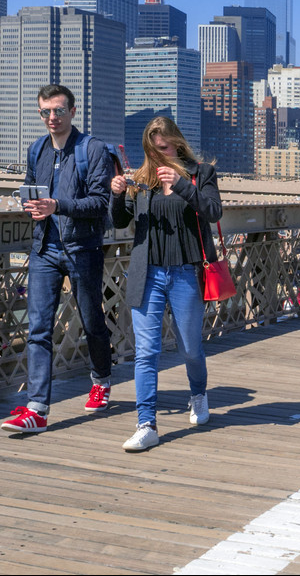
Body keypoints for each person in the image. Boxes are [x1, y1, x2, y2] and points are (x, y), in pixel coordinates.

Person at [1, 84, 114, 434]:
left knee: (92, 319)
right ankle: (37, 409)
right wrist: (33, 207)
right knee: (38, 329)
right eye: (45, 112)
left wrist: (58, 206)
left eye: (58, 111)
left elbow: (99, 202)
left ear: (73, 112)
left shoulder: (92, 150)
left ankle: (102, 378)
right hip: (44, 249)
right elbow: (30, 189)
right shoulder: (37, 149)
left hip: (82, 249)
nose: (52, 118)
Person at [111, 116, 222, 452]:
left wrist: (183, 184)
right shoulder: (143, 178)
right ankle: (147, 423)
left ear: (176, 141)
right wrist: (116, 195)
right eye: (154, 148)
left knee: (190, 347)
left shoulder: (200, 172)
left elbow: (214, 211)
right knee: (146, 353)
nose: (160, 153)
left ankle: (198, 394)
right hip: (148, 274)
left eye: (165, 146)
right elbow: (120, 221)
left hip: (186, 272)